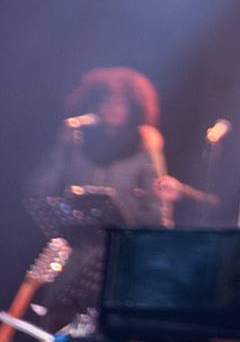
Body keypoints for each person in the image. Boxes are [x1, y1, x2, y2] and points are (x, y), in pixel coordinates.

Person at [25, 67, 175, 228]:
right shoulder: (76, 140)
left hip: (123, 239)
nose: (112, 108)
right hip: (78, 239)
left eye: (120, 103)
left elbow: (157, 207)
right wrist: (63, 143)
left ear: (134, 108)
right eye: (105, 100)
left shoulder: (145, 147)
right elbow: (40, 187)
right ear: (94, 104)